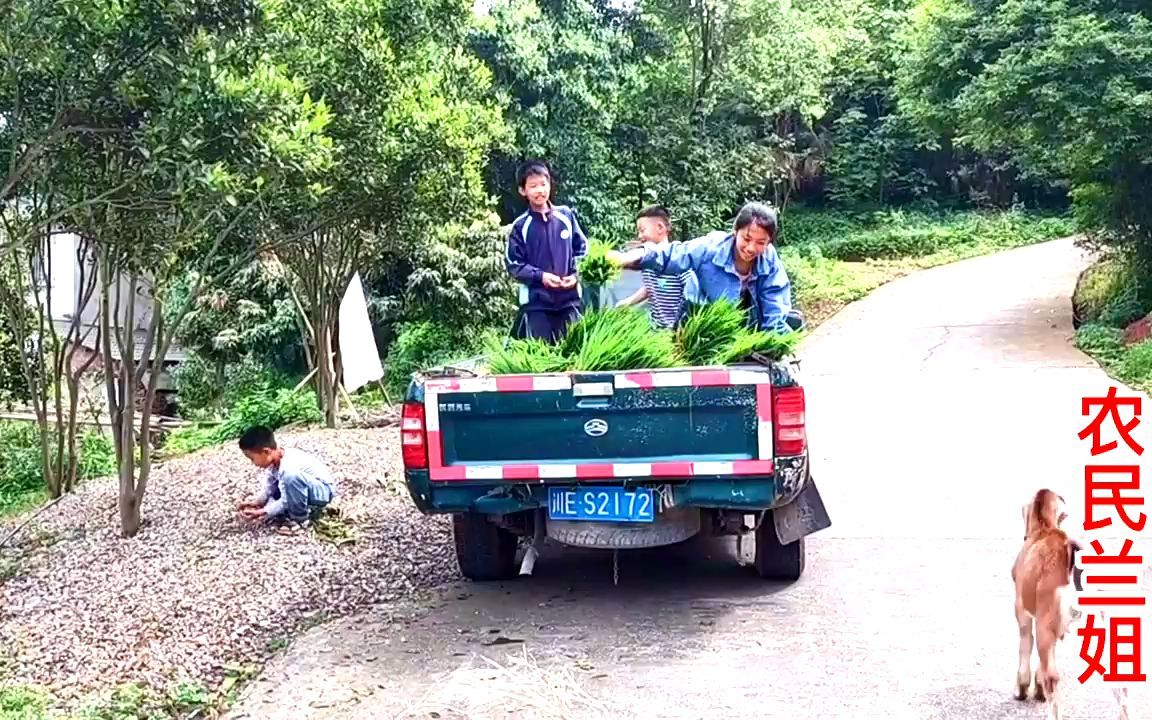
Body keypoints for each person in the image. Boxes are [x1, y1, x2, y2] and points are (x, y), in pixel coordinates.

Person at [608, 201, 803, 334]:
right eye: (747, 238)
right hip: (698, 324)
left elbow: (774, 310)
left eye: (761, 242)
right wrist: (626, 258)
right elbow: (672, 255)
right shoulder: (710, 248)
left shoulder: (770, 263)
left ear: (770, 242)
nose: (751, 248)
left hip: (745, 329)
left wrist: (772, 349)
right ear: (735, 231)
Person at [504, 160, 589, 343]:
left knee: (574, 352)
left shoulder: (565, 216)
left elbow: (583, 250)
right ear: (523, 191)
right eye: (533, 186)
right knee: (539, 356)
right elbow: (514, 264)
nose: (540, 190)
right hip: (537, 304)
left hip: (569, 301)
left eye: (544, 184)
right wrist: (541, 276)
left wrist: (575, 275)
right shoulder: (520, 226)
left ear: (550, 185)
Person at [236, 425, 336, 532]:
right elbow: (269, 486)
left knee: (289, 477)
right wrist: (257, 503)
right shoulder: (274, 461)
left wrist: (264, 512)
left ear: (266, 451)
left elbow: (285, 500)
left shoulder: (288, 465)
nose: (253, 463)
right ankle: (290, 509)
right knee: (277, 491)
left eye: (252, 459)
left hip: (323, 491)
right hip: (305, 487)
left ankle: (301, 520)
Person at [615, 205, 699, 330]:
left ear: (660, 227)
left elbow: (693, 292)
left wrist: (684, 325)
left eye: (642, 230)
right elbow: (651, 287)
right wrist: (628, 302)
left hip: (677, 331)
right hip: (655, 329)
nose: (639, 236)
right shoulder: (647, 261)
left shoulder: (678, 259)